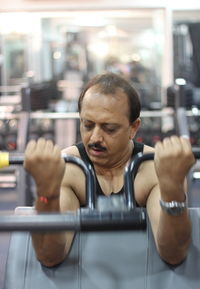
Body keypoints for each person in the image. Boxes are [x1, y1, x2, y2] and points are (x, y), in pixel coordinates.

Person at [24, 72, 196, 267]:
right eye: (88, 125)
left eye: (109, 129)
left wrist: (173, 189)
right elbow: (49, 256)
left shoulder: (153, 168)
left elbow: (174, 254)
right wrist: (46, 194)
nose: (95, 138)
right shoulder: (68, 168)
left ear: (134, 128)